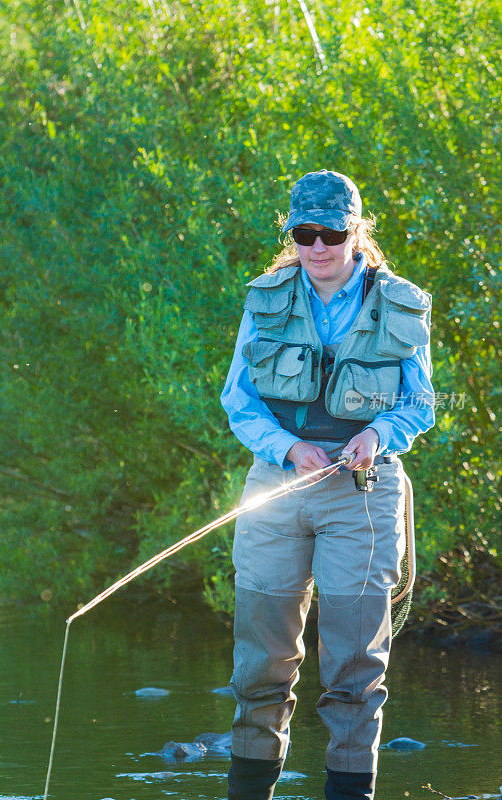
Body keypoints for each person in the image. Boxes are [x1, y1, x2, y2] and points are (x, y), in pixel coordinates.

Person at [220, 169, 435, 800]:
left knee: (353, 667)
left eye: (332, 234)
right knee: (262, 662)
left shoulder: (400, 302)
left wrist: (379, 436)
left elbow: (420, 401)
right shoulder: (265, 299)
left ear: (357, 232)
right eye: (304, 234)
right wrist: (288, 448)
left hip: (364, 492)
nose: (318, 247)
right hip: (276, 487)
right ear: (291, 236)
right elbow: (239, 400)